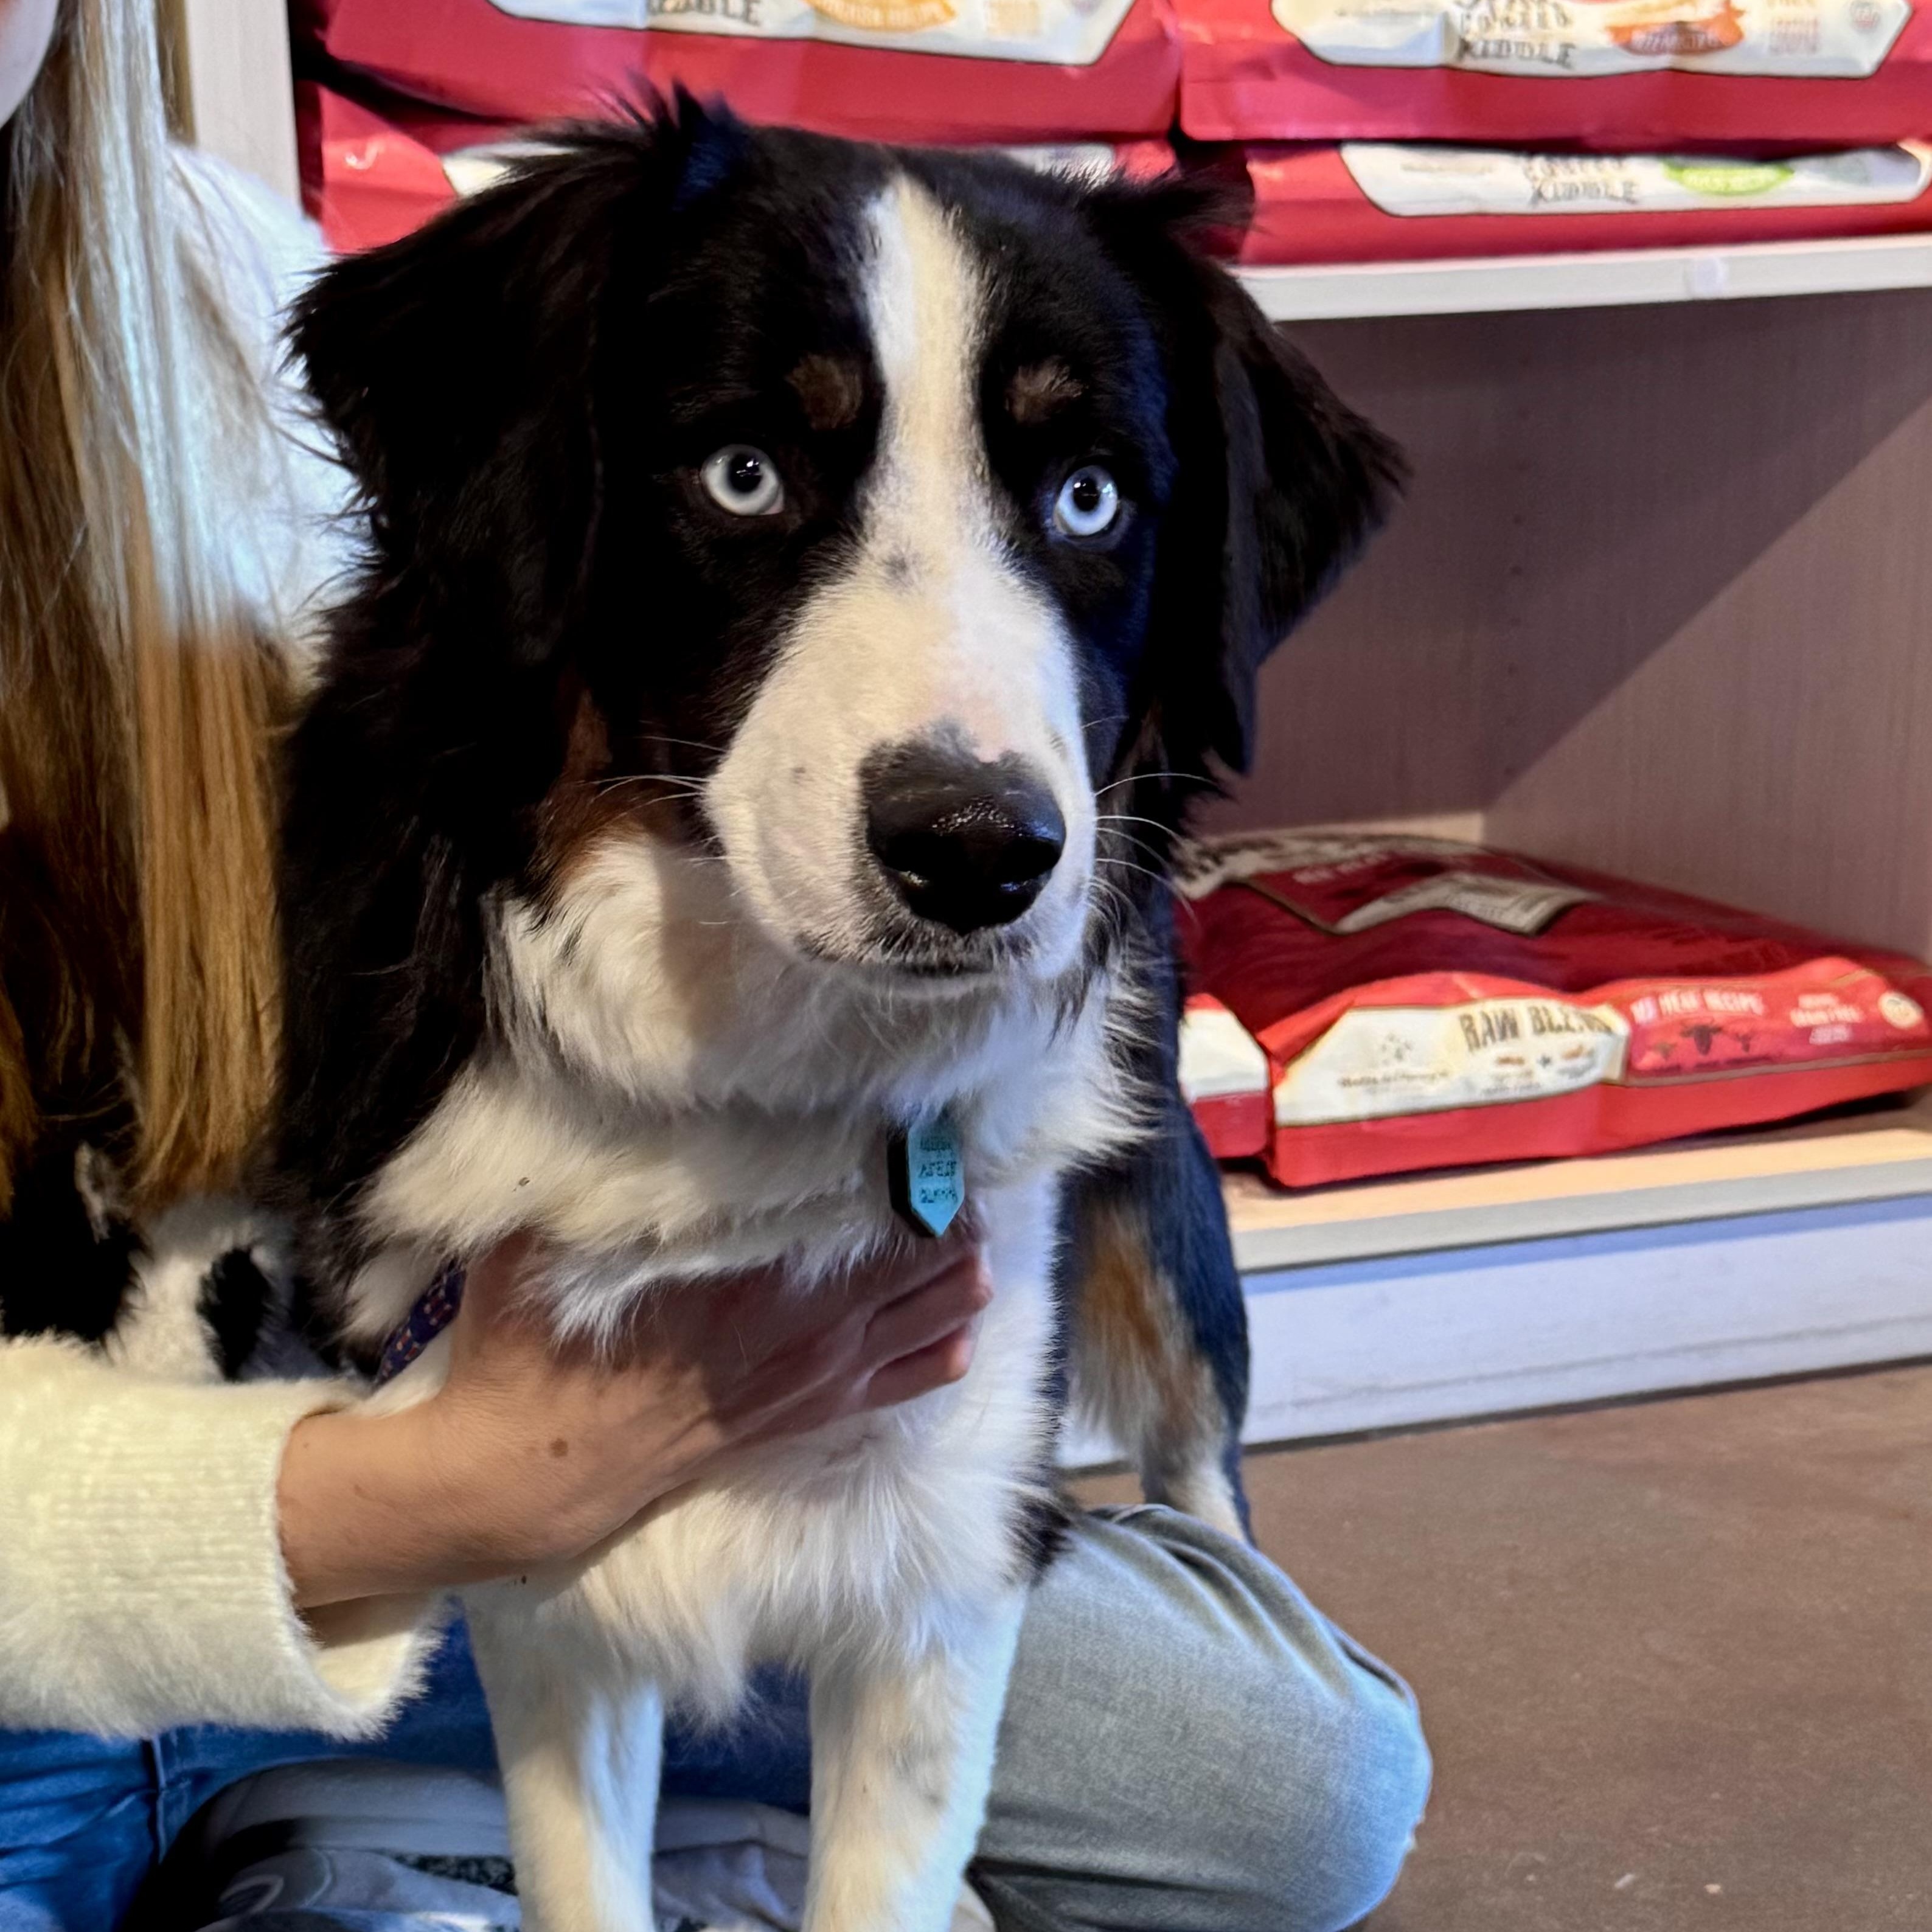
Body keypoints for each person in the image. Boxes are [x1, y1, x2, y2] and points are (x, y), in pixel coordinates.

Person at [0, 2, 1432, 1928]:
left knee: (1303, 1777)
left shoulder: (207, 270)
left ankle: (408, 1849)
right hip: (172, 1615)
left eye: (1076, 500)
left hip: (379, 1477)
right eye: (756, 476)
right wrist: (452, 1491)